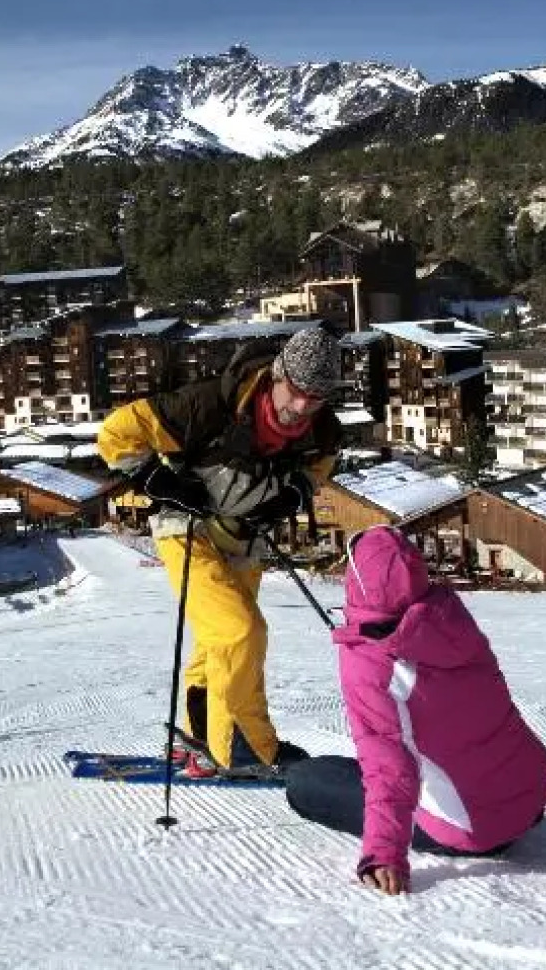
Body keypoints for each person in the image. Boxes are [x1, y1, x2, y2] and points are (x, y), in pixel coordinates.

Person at [97, 326, 345, 776]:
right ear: (278, 374)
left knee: (219, 643)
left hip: (243, 539)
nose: (301, 407)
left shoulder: (322, 428)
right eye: (296, 392)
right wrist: (160, 481)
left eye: (316, 399)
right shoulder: (208, 405)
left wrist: (292, 496)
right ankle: (245, 749)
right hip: (187, 530)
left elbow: (321, 464)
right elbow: (116, 433)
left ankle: (200, 737)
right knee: (240, 633)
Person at [286, 525, 546, 895]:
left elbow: (390, 767)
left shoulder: (370, 663)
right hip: (531, 795)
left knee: (305, 779)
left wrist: (385, 853)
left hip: (475, 829)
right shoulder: (449, 620)